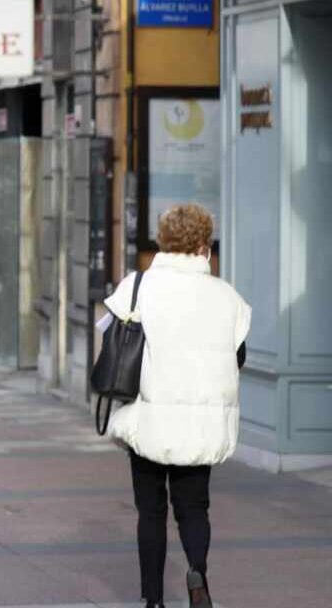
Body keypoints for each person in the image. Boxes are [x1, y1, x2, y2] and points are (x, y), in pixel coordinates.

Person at [102, 204, 249, 608]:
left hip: (149, 416)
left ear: (163, 241)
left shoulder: (139, 286)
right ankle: (197, 570)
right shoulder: (226, 297)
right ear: (204, 245)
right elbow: (238, 358)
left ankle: (153, 600)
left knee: (150, 511)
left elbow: (113, 348)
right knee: (194, 507)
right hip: (199, 423)